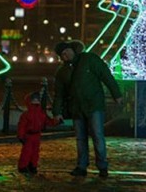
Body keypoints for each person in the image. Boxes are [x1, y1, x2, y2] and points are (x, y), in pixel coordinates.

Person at [52, 40, 122, 178]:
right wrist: (57, 112)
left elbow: (106, 76)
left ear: (72, 49)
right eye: (62, 54)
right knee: (81, 139)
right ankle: (82, 166)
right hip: (77, 107)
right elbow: (59, 94)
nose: (66, 55)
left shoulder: (89, 59)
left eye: (66, 51)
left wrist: (116, 94)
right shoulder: (62, 72)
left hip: (94, 104)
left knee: (97, 135)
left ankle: (102, 166)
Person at [17, 91, 59, 174]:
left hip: (34, 135)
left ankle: (31, 165)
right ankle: (25, 166)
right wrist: (21, 136)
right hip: (30, 135)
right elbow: (22, 126)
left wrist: (55, 122)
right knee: (28, 152)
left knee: (34, 152)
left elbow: (48, 121)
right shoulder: (37, 113)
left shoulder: (31, 114)